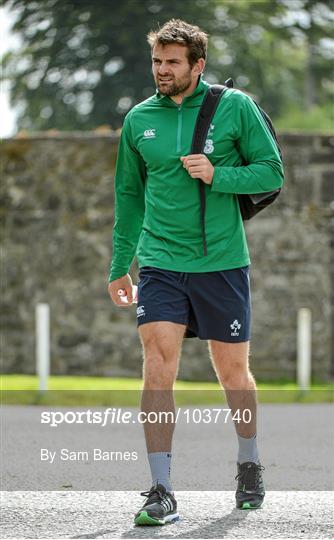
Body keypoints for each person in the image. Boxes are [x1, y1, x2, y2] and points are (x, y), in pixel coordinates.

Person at [108, 18, 284, 526]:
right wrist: (121, 264)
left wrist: (217, 173)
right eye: (157, 61)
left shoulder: (235, 107)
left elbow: (272, 171)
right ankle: (160, 488)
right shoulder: (139, 119)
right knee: (157, 363)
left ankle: (249, 462)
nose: (162, 70)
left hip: (222, 262)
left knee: (232, 372)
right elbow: (128, 195)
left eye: (172, 62)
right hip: (160, 262)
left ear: (197, 65)